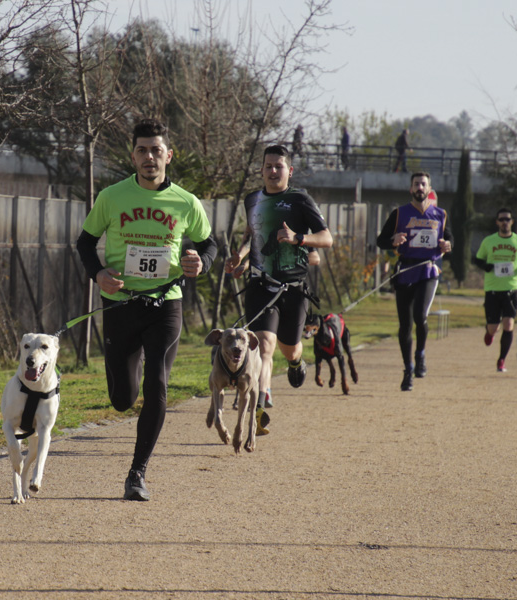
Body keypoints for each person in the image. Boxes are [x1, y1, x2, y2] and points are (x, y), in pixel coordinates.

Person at [75, 118, 217, 502]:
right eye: (142, 150)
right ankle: (126, 374)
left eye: (156, 150)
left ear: (169, 155)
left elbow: (210, 245)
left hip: (165, 303)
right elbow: (85, 244)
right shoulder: (111, 197)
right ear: (132, 155)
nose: (149, 157)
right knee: (122, 398)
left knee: (158, 384)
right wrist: (99, 274)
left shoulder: (187, 202)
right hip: (120, 304)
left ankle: (137, 473)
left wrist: (200, 263)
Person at [225, 144, 332, 428]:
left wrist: (298, 238)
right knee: (264, 345)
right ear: (261, 170)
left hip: (294, 287)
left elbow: (326, 238)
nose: (273, 171)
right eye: (268, 166)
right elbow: (252, 236)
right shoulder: (252, 200)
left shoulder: (300, 200)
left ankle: (297, 362)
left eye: (279, 166)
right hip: (261, 284)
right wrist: (241, 259)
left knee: (290, 348)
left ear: (289, 170)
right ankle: (260, 406)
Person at [376, 172, 452, 392]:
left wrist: (447, 244)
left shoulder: (440, 214)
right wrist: (393, 240)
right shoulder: (399, 213)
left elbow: (449, 237)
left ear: (429, 188)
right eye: (416, 184)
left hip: (428, 269)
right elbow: (381, 240)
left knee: (420, 315)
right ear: (411, 189)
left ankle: (420, 355)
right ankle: (408, 369)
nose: (420, 187)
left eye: (424, 184)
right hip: (405, 270)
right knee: (405, 325)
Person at [472, 208, 517, 372]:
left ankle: (501, 360)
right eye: (501, 219)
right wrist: (485, 266)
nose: (505, 222)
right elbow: (478, 259)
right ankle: (490, 332)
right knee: (494, 327)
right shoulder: (489, 241)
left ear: (512, 222)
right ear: (497, 222)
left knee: (509, 324)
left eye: (508, 219)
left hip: (512, 289)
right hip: (493, 289)